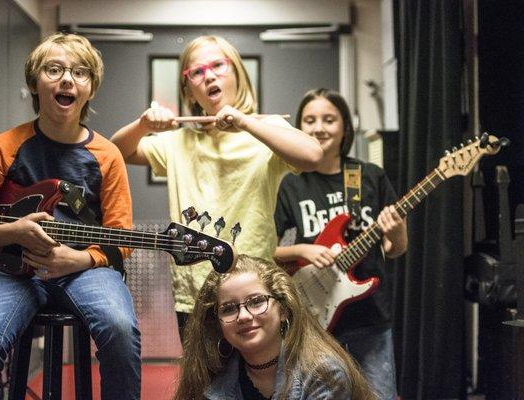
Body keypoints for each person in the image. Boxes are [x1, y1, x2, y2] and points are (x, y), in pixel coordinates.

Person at [0, 32, 141, 400]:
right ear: (35, 83)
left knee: (120, 329)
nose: (67, 79)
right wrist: (14, 233)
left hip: (85, 272)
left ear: (90, 89)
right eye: (54, 69)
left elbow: (122, 236)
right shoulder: (4, 147)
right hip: (14, 273)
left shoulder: (107, 155)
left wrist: (81, 258)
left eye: (80, 72)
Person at [111, 35, 323, 334]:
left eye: (218, 66)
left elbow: (313, 156)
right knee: (205, 380)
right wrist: (144, 125)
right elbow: (114, 153)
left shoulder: (267, 129)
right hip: (195, 293)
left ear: (237, 72)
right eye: (196, 72)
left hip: (256, 288)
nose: (208, 75)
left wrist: (246, 122)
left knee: (262, 379)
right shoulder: (178, 142)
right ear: (188, 89)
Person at [274, 88, 407, 399]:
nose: (319, 127)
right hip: (312, 323)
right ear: (299, 128)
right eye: (310, 120)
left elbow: (395, 248)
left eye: (329, 119)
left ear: (345, 127)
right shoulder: (290, 183)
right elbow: (268, 250)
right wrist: (301, 250)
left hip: (370, 319)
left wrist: (397, 229)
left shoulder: (369, 176)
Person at [174, 254, 375, 399]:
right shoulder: (211, 375)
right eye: (228, 309)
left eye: (256, 302)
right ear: (217, 324)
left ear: (284, 310)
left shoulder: (324, 373)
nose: (243, 316)